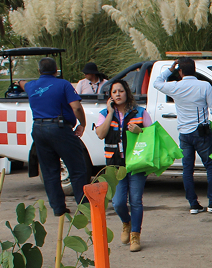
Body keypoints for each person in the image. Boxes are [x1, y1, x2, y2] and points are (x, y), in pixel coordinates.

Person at [153, 57, 212, 214]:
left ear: (180, 71)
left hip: (184, 133)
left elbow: (157, 82)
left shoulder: (175, 86)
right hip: (202, 131)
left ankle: (193, 204)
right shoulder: (204, 86)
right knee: (210, 166)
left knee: (188, 169)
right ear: (195, 70)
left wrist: (169, 70)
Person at [26, 57, 91, 216]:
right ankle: (84, 208)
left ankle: (58, 208)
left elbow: (23, 84)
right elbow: (76, 107)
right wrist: (82, 123)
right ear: (56, 71)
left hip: (38, 128)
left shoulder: (31, 86)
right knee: (77, 169)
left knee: (49, 171)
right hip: (59, 128)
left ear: (39, 71)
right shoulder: (63, 84)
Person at [94, 78, 152, 252]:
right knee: (118, 202)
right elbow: (100, 134)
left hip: (136, 163)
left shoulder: (140, 112)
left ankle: (135, 234)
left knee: (135, 200)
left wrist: (140, 131)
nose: (118, 94)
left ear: (127, 92)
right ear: (110, 96)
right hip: (115, 165)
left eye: (120, 91)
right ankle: (126, 222)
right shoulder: (104, 114)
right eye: (114, 92)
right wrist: (110, 113)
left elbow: (153, 136)